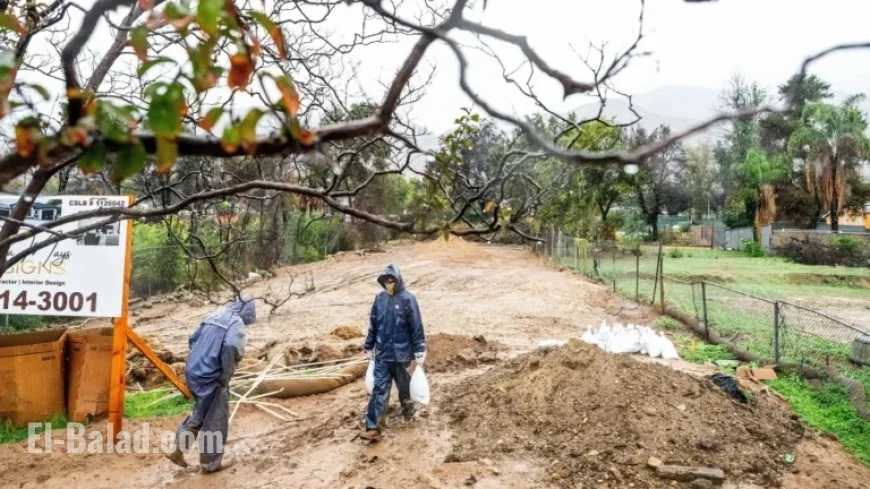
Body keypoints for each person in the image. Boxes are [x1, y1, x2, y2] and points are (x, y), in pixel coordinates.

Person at [166, 297, 256, 472]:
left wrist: (199, 357)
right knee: (215, 418)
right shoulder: (236, 322)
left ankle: (177, 449)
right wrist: (225, 374)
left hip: (194, 371)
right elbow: (231, 346)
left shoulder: (214, 315)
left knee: (200, 411)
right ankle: (210, 464)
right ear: (247, 312)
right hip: (211, 375)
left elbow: (192, 338)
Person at [361, 264, 426, 441]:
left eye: (392, 280)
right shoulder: (379, 299)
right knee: (379, 389)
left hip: (402, 354)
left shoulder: (408, 299)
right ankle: (374, 426)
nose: (389, 284)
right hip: (382, 354)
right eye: (386, 281)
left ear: (397, 280)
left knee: (404, 387)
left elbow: (416, 326)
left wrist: (419, 348)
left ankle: (408, 411)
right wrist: (369, 346)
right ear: (382, 282)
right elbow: (373, 325)